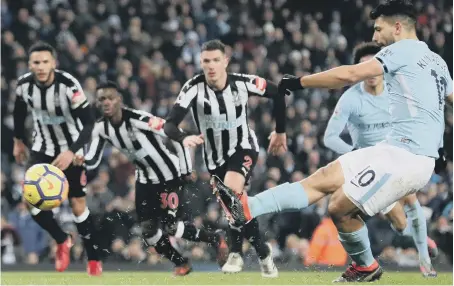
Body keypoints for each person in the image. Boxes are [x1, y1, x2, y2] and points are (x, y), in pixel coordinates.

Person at [211, 0, 452, 282]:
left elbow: (349, 74)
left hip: (407, 157)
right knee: (324, 178)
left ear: (397, 27)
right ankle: (246, 208)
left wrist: (299, 82)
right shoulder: (437, 60)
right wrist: (439, 146)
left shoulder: (401, 51)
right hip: (393, 149)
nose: (374, 37)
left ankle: (367, 265)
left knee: (339, 207)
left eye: (378, 29)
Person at [75, 81, 228, 276]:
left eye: (110, 98)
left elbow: (174, 133)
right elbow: (93, 159)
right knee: (149, 231)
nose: (106, 102)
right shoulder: (100, 128)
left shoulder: (139, 119)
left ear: (119, 100)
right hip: (144, 181)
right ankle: (181, 262)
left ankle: (215, 239)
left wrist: (185, 169)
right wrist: (82, 160)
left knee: (172, 226)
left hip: (169, 176)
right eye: (101, 99)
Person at [163, 39, 286, 277]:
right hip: (214, 158)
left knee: (231, 191)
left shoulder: (242, 82)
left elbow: (278, 93)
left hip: (243, 146)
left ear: (225, 62)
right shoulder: (193, 88)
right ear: (200, 63)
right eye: (206, 61)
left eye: (216, 60)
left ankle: (236, 253)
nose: (211, 66)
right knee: (235, 205)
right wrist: (182, 137)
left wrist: (280, 130)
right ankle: (262, 252)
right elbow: (169, 124)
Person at [323, 42, 439, 276]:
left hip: (399, 156)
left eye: (372, 64)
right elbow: (330, 137)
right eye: (363, 65)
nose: (370, 70)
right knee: (399, 224)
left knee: (411, 201)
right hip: (371, 168)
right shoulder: (351, 98)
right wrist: (354, 154)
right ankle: (416, 240)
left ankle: (425, 262)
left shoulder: (398, 91)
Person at [13, 42, 102, 275]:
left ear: (54, 63)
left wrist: (72, 151)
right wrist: (18, 140)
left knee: (77, 205)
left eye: (45, 62)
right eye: (36, 63)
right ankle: (62, 239)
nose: (41, 67)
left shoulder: (69, 86)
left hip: (71, 146)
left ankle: (93, 259)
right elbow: (19, 112)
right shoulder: (23, 86)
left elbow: (89, 122)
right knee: (31, 199)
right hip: (42, 148)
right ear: (30, 64)